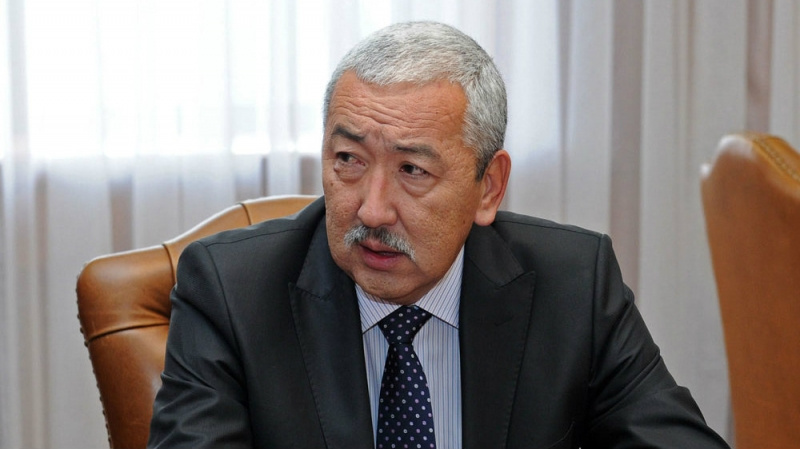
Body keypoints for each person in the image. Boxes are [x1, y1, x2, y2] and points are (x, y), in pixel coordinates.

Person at [148, 21, 729, 449]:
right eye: (348, 159)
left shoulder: (574, 284)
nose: (372, 210)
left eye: (412, 170)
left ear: (488, 188)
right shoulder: (231, 293)